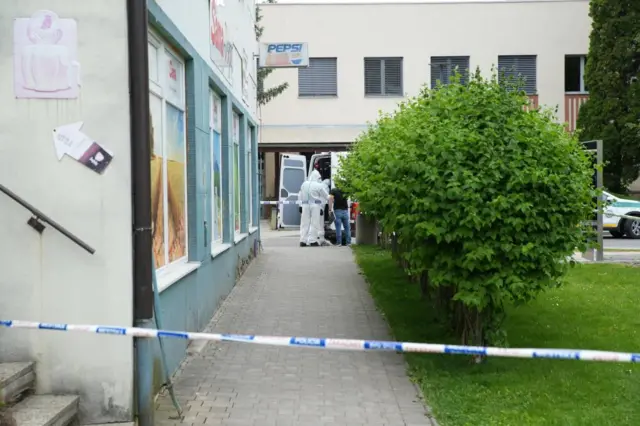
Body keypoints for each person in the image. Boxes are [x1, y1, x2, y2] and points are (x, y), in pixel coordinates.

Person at [299, 170, 330, 247]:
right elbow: (326, 196)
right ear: (317, 177)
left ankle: (303, 240)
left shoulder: (304, 184)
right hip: (315, 205)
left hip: (305, 205)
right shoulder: (319, 186)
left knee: (304, 223)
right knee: (314, 223)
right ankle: (312, 240)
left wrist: (300, 205)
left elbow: (300, 195)